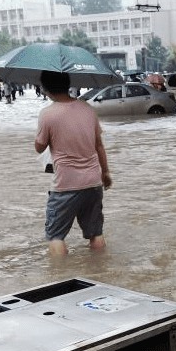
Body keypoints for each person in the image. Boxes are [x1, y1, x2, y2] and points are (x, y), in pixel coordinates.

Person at [34, 70, 112, 256]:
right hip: (93, 182)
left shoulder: (47, 114)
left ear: (45, 89)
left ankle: (60, 277)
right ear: (68, 84)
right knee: (96, 233)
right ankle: (100, 269)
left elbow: (39, 147)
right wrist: (106, 173)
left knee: (56, 237)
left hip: (65, 185)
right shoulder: (88, 109)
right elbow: (99, 146)